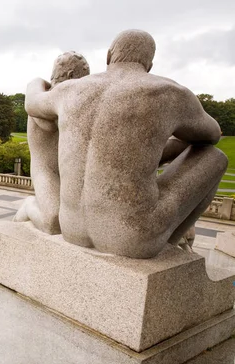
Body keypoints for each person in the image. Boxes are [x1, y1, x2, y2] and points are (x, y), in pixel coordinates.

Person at [25, 29, 227, 258]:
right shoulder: (169, 93)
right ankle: (168, 244)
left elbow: (32, 102)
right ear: (149, 65)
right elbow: (211, 135)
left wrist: (35, 81)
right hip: (133, 239)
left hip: (72, 228)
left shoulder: (70, 90)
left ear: (109, 56)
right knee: (215, 157)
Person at [14, 51, 90, 233]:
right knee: (53, 221)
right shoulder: (46, 101)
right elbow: (53, 122)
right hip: (46, 171)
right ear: (72, 76)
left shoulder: (59, 99)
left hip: (71, 174)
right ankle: (28, 205)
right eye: (85, 77)